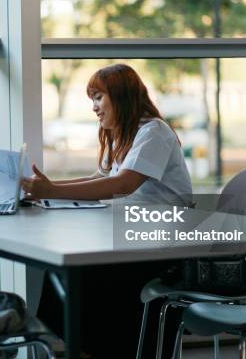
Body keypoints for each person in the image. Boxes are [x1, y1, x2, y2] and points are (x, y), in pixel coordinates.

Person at [22, 63, 192, 358]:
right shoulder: (125, 134)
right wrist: (47, 189)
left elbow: (123, 185)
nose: (94, 108)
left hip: (164, 250)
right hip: (135, 238)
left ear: (121, 96)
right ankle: (91, 348)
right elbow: (99, 178)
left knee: (81, 277)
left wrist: (52, 191)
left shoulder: (154, 132)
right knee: (60, 273)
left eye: (98, 97)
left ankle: (96, 349)